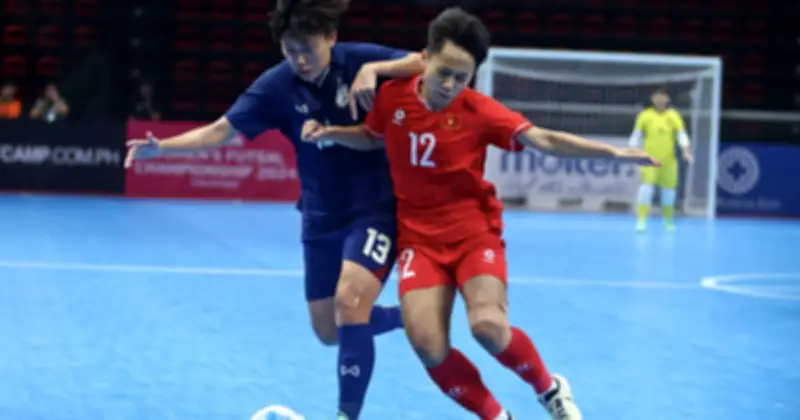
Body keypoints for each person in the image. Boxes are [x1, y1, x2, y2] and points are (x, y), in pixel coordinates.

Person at [302, 7, 659, 419]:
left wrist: (614, 153)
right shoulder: (393, 98)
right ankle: (496, 415)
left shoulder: (480, 111)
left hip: (473, 234)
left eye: (462, 77)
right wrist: (330, 134)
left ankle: (549, 389)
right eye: (444, 73)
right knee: (427, 344)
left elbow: (544, 139)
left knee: (487, 326)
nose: (450, 85)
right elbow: (372, 136)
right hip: (419, 240)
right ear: (425, 59)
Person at [124, 1, 426, 419]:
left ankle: (346, 415)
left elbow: (426, 62)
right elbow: (221, 131)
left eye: (307, 49)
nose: (299, 60)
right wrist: (162, 148)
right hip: (320, 216)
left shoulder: (357, 59)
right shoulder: (276, 86)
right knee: (328, 330)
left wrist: (375, 70)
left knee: (349, 303)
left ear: (330, 37)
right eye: (290, 50)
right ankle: (411, 316)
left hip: (374, 209)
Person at [628, 86, 694, 232]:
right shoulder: (645, 115)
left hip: (669, 161)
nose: (659, 99)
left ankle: (668, 222)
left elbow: (681, 135)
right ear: (652, 99)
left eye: (662, 96)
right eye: (657, 96)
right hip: (648, 160)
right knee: (646, 189)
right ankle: (641, 221)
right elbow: (636, 135)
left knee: (668, 192)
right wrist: (633, 151)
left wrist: (686, 151)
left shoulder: (673, 115)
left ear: (667, 99)